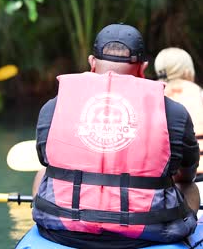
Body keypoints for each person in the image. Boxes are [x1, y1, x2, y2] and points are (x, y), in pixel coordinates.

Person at [31, 24, 200, 248]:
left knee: (44, 170)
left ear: (92, 62)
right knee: (189, 185)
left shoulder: (52, 107)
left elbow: (45, 158)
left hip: (62, 233)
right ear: (143, 68)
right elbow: (186, 174)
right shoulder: (173, 112)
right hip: (150, 233)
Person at [155, 47, 203, 174]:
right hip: (198, 172)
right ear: (188, 70)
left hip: (165, 177)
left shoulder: (153, 95)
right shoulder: (199, 93)